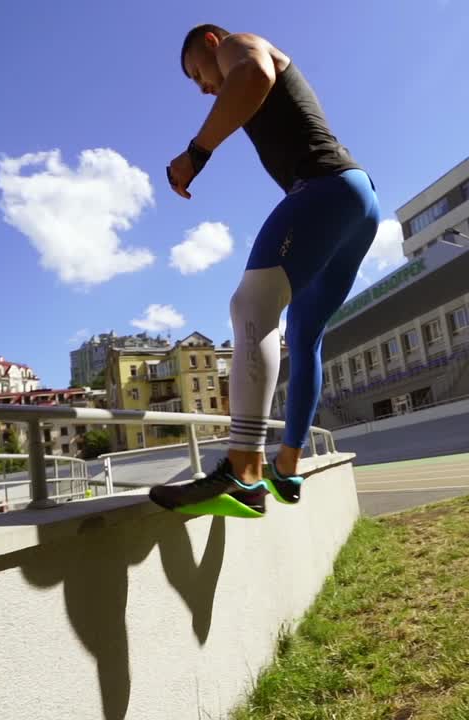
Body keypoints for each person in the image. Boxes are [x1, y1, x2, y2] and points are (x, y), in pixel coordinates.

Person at [149, 24, 379, 517]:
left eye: (197, 74)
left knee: (251, 304)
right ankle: (286, 464)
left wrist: (195, 153)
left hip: (324, 187)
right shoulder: (233, 64)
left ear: (211, 44)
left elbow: (252, 74)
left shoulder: (237, 46)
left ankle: (242, 469)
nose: (204, 88)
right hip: (358, 203)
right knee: (304, 335)